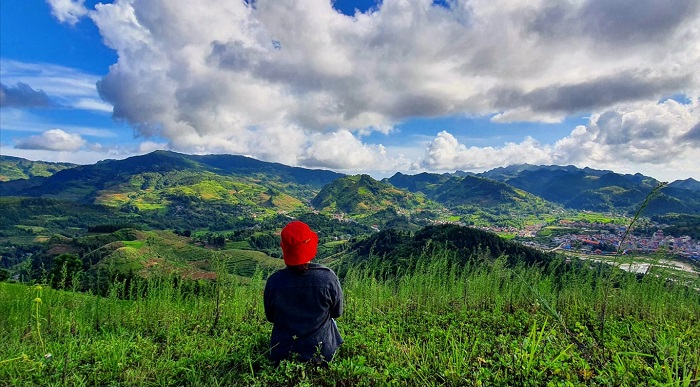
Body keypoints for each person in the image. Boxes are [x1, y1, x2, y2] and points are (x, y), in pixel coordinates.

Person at [263, 220, 344, 364]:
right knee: (332, 322)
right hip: (321, 355)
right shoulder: (328, 278)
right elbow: (337, 313)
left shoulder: (273, 282)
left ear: (285, 250)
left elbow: (271, 317)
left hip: (282, 355)